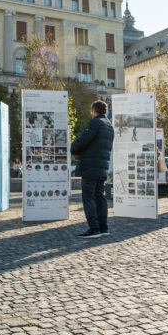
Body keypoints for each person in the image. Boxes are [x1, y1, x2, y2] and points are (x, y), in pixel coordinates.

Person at [70, 100, 114, 238]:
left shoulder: (96, 122)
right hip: (102, 167)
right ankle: (103, 228)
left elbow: (82, 141)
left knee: (88, 197)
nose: (90, 113)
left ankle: (94, 229)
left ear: (94, 110)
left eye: (91, 111)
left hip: (90, 167)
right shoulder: (109, 125)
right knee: (100, 198)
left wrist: (73, 148)